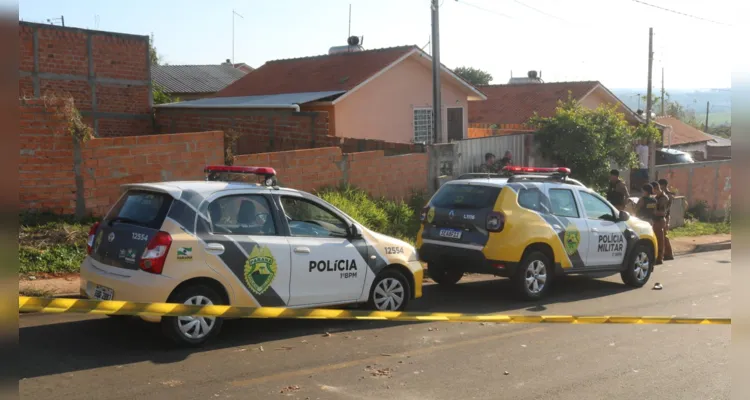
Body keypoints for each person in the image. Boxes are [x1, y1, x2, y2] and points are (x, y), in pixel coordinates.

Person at [650, 181, 669, 265]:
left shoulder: (663, 198)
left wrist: (651, 210)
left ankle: (659, 258)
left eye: (652, 190)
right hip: (655, 220)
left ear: (655, 189)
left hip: (660, 220)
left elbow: (662, 212)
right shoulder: (656, 197)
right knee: (659, 239)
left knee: (660, 239)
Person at [658, 178, 675, 261]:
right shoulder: (665, 194)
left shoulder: (667, 196)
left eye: (659, 185)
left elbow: (666, 208)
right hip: (664, 216)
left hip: (665, 217)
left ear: (663, 185)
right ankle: (666, 253)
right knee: (663, 235)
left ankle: (669, 254)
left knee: (664, 235)